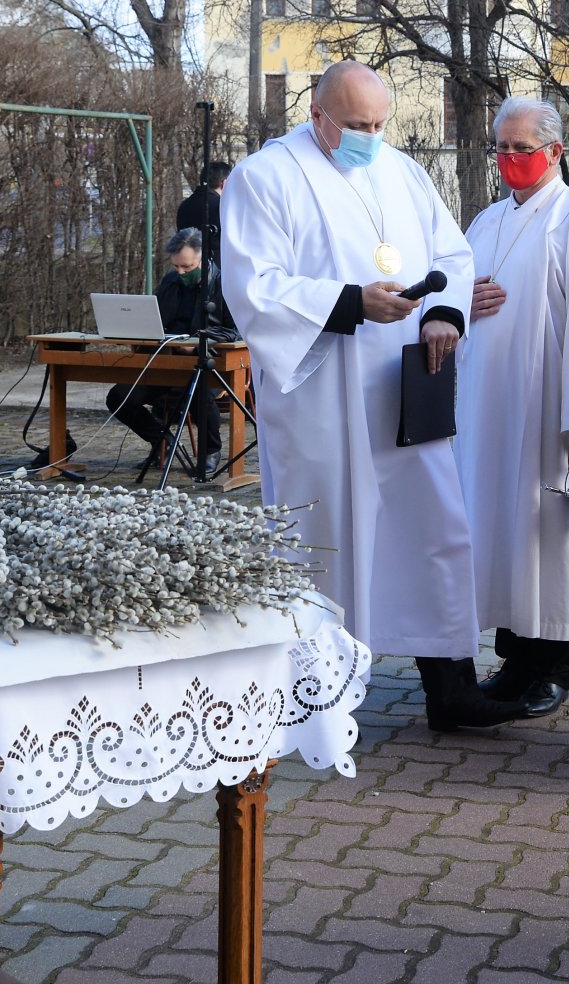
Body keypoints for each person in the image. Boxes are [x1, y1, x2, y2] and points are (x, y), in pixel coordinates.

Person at [222, 60, 526, 733]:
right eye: (357, 125)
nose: (370, 136)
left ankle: (450, 686)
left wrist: (444, 314)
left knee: (433, 527)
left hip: (406, 385)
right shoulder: (265, 178)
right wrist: (349, 304)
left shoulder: (401, 171)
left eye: (379, 124)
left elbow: (451, 254)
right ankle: (317, 701)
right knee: (326, 536)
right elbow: (253, 286)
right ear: (316, 115)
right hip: (323, 393)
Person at [456, 97, 569, 718]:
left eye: (520, 149)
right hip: (490, 408)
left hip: (553, 409)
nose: (508, 159)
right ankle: (514, 659)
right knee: (505, 534)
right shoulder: (483, 222)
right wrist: (459, 302)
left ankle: (554, 663)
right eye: (500, 147)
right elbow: (455, 296)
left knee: (551, 538)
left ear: (555, 152)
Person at [104, 226, 238, 481]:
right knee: (119, 397)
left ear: (202, 258)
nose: (181, 272)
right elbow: (156, 319)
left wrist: (200, 341)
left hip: (209, 363)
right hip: (166, 362)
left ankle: (211, 451)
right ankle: (162, 441)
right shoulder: (170, 281)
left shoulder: (223, 284)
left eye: (187, 267)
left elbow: (236, 331)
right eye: (177, 266)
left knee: (199, 390)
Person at [176, 160, 232, 253]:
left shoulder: (185, 205)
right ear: (224, 183)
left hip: (188, 261)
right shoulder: (223, 207)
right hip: (217, 263)